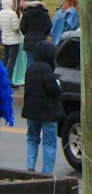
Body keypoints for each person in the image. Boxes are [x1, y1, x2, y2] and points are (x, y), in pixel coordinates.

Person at [23, 40, 63, 175]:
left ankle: (30, 168)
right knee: (49, 142)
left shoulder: (30, 68)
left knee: (32, 139)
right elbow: (54, 90)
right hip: (48, 112)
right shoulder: (47, 69)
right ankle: (47, 172)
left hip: (32, 111)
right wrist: (59, 86)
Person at [19, 0, 51, 66]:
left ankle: (29, 76)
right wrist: (44, 34)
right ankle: (40, 76)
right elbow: (48, 28)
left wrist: (27, 33)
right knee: (41, 62)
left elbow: (22, 28)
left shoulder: (26, 14)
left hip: (29, 41)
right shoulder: (45, 14)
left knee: (29, 62)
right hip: (42, 40)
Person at [1, 0, 23, 80]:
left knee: (6, 59)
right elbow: (16, 28)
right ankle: (9, 79)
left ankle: (3, 78)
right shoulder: (12, 13)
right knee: (12, 61)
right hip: (14, 40)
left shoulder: (1, 12)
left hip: (5, 38)